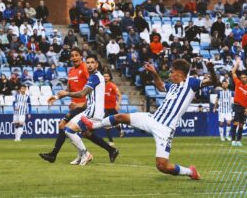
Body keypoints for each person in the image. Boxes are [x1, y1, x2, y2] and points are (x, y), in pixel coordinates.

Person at [82, 59, 218, 179]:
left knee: (162, 166)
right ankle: (93, 126)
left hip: (165, 129)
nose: (170, 74)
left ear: (180, 74)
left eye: (172, 72)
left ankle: (190, 172)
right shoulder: (173, 86)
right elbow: (160, 86)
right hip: (152, 119)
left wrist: (211, 68)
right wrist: (154, 72)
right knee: (120, 116)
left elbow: (213, 81)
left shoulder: (192, 83)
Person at [39, 49, 119, 164]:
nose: (74, 57)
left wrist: (77, 101)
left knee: (67, 128)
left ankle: (81, 154)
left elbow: (83, 93)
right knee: (81, 132)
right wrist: (56, 97)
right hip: (85, 107)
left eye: (92, 63)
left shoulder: (90, 73)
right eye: (72, 56)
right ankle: (106, 150)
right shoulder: (72, 71)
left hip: (88, 110)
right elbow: (71, 90)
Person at [230, 58, 247, 147]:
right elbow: (233, 72)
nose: (243, 78)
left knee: (241, 125)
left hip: (244, 107)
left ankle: (238, 140)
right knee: (235, 123)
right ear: (240, 78)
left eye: (245, 77)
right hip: (236, 105)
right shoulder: (238, 83)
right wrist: (236, 64)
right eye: (242, 77)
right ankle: (233, 140)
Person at [104, 71, 123, 146]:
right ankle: (111, 141)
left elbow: (119, 95)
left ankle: (120, 131)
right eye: (104, 76)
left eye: (107, 76)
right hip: (105, 109)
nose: (105, 78)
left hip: (112, 108)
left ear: (109, 77)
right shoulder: (101, 86)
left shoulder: (113, 86)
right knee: (106, 125)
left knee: (116, 124)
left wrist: (118, 104)